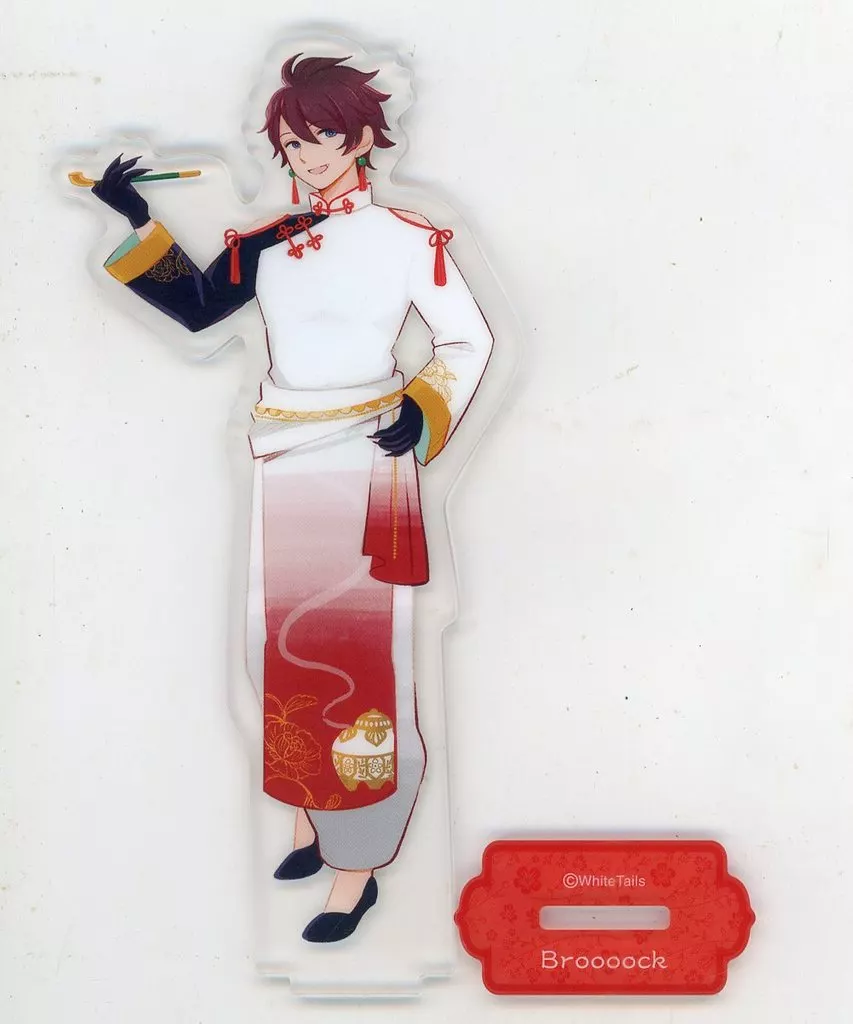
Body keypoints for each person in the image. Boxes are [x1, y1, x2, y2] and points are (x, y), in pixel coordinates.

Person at [91, 54, 493, 943]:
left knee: (357, 665)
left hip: (364, 458)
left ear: (362, 137)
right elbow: (200, 307)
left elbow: (467, 340)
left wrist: (423, 408)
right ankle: (314, 821)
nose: (307, 155)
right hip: (281, 458)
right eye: (292, 141)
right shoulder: (268, 240)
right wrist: (137, 220)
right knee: (276, 654)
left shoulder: (406, 239)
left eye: (323, 138)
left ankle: (359, 869)